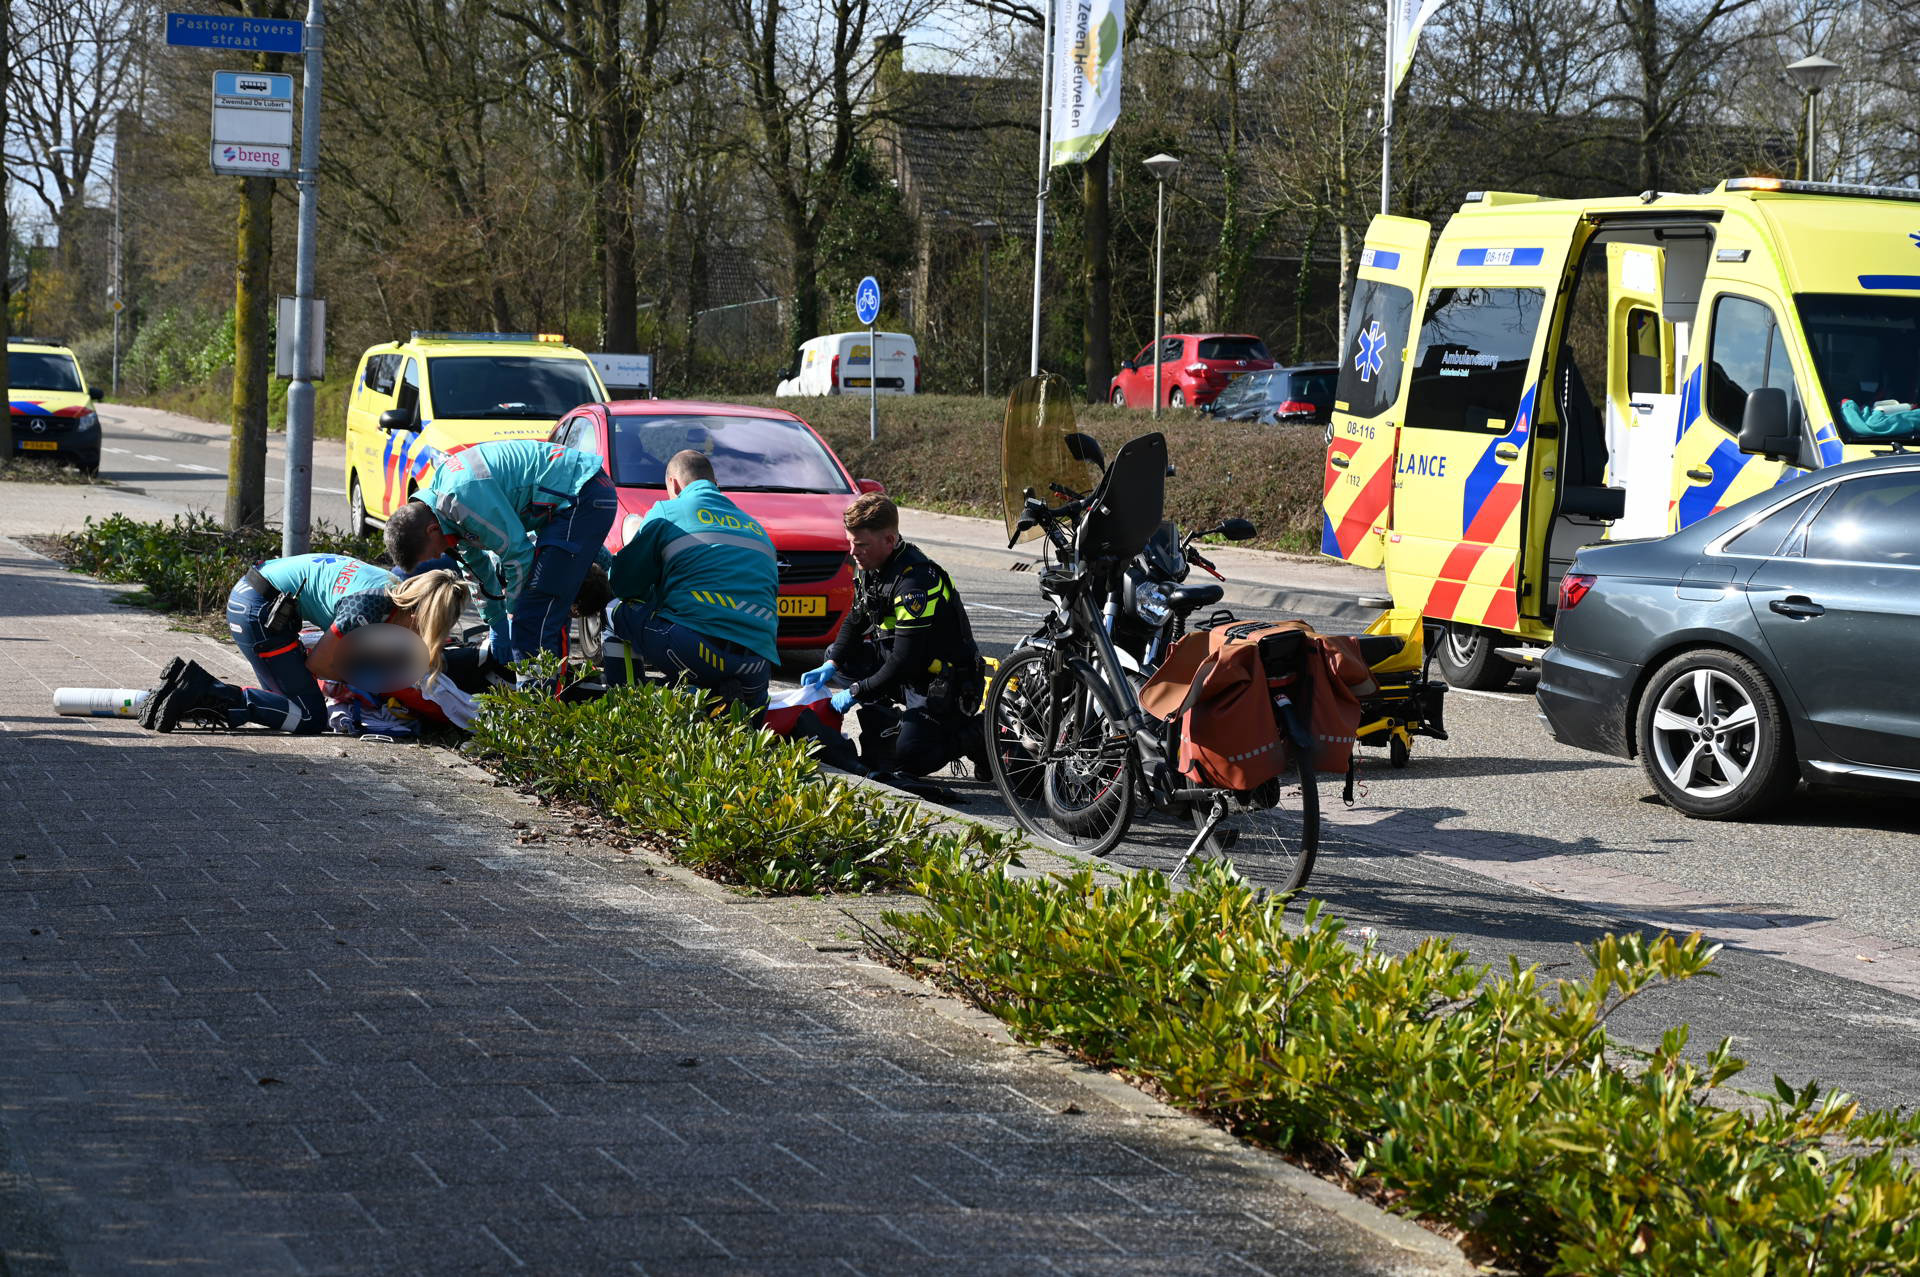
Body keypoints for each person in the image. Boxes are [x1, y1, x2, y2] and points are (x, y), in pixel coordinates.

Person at [139, 556, 469, 734]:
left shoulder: (390, 590)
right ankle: (202, 691)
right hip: (259, 609)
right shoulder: (368, 607)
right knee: (307, 716)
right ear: (417, 612)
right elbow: (319, 665)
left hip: (263, 600)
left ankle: (182, 690)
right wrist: (369, 682)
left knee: (288, 704)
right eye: (425, 628)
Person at [383, 439, 617, 668]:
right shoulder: (445, 506)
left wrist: (512, 617)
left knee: (535, 611)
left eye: (432, 553)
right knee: (539, 604)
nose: (437, 557)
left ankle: (542, 689)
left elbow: (519, 556)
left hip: (583, 493)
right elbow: (477, 569)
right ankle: (618, 587)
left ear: (432, 530)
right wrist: (496, 621)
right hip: (574, 496)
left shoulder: (462, 499)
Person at [803, 493, 989, 778]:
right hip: (906, 670)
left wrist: (857, 691)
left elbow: (905, 659)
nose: (853, 551)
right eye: (850, 542)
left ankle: (981, 733)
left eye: (861, 544)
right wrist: (832, 663)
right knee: (839, 656)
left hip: (941, 681)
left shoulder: (915, 582)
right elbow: (855, 620)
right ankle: (884, 725)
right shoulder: (872, 566)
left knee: (907, 760)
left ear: (889, 540)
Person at [606, 449, 778, 711]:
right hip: (756, 665)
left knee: (613, 610)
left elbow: (624, 585)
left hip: (696, 651)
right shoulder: (756, 528)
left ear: (674, 484)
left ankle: (627, 711)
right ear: (715, 484)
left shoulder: (667, 511)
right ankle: (712, 702)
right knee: (745, 727)